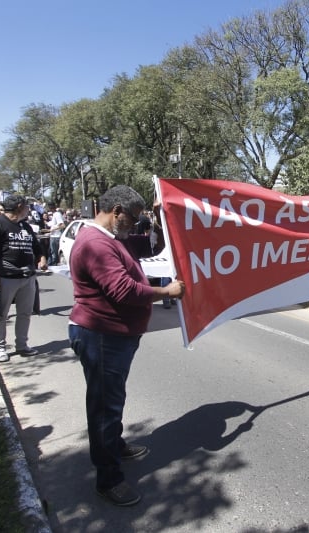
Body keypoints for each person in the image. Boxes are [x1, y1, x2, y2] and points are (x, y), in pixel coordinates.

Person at [68, 185, 185, 506]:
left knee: (112, 398)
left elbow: (147, 246)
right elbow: (123, 291)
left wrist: (164, 212)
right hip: (101, 336)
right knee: (105, 407)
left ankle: (114, 446)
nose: (134, 226)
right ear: (116, 210)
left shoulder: (110, 239)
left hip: (112, 336)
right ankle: (108, 478)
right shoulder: (95, 243)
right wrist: (167, 293)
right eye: (132, 219)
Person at [0, 195, 47, 363]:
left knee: (25, 313)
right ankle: (0, 347)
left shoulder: (24, 226)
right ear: (19, 206)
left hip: (27, 277)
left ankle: (22, 345)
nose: (28, 210)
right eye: (26, 206)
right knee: (0, 314)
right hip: (4, 277)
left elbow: (36, 247)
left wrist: (41, 258)